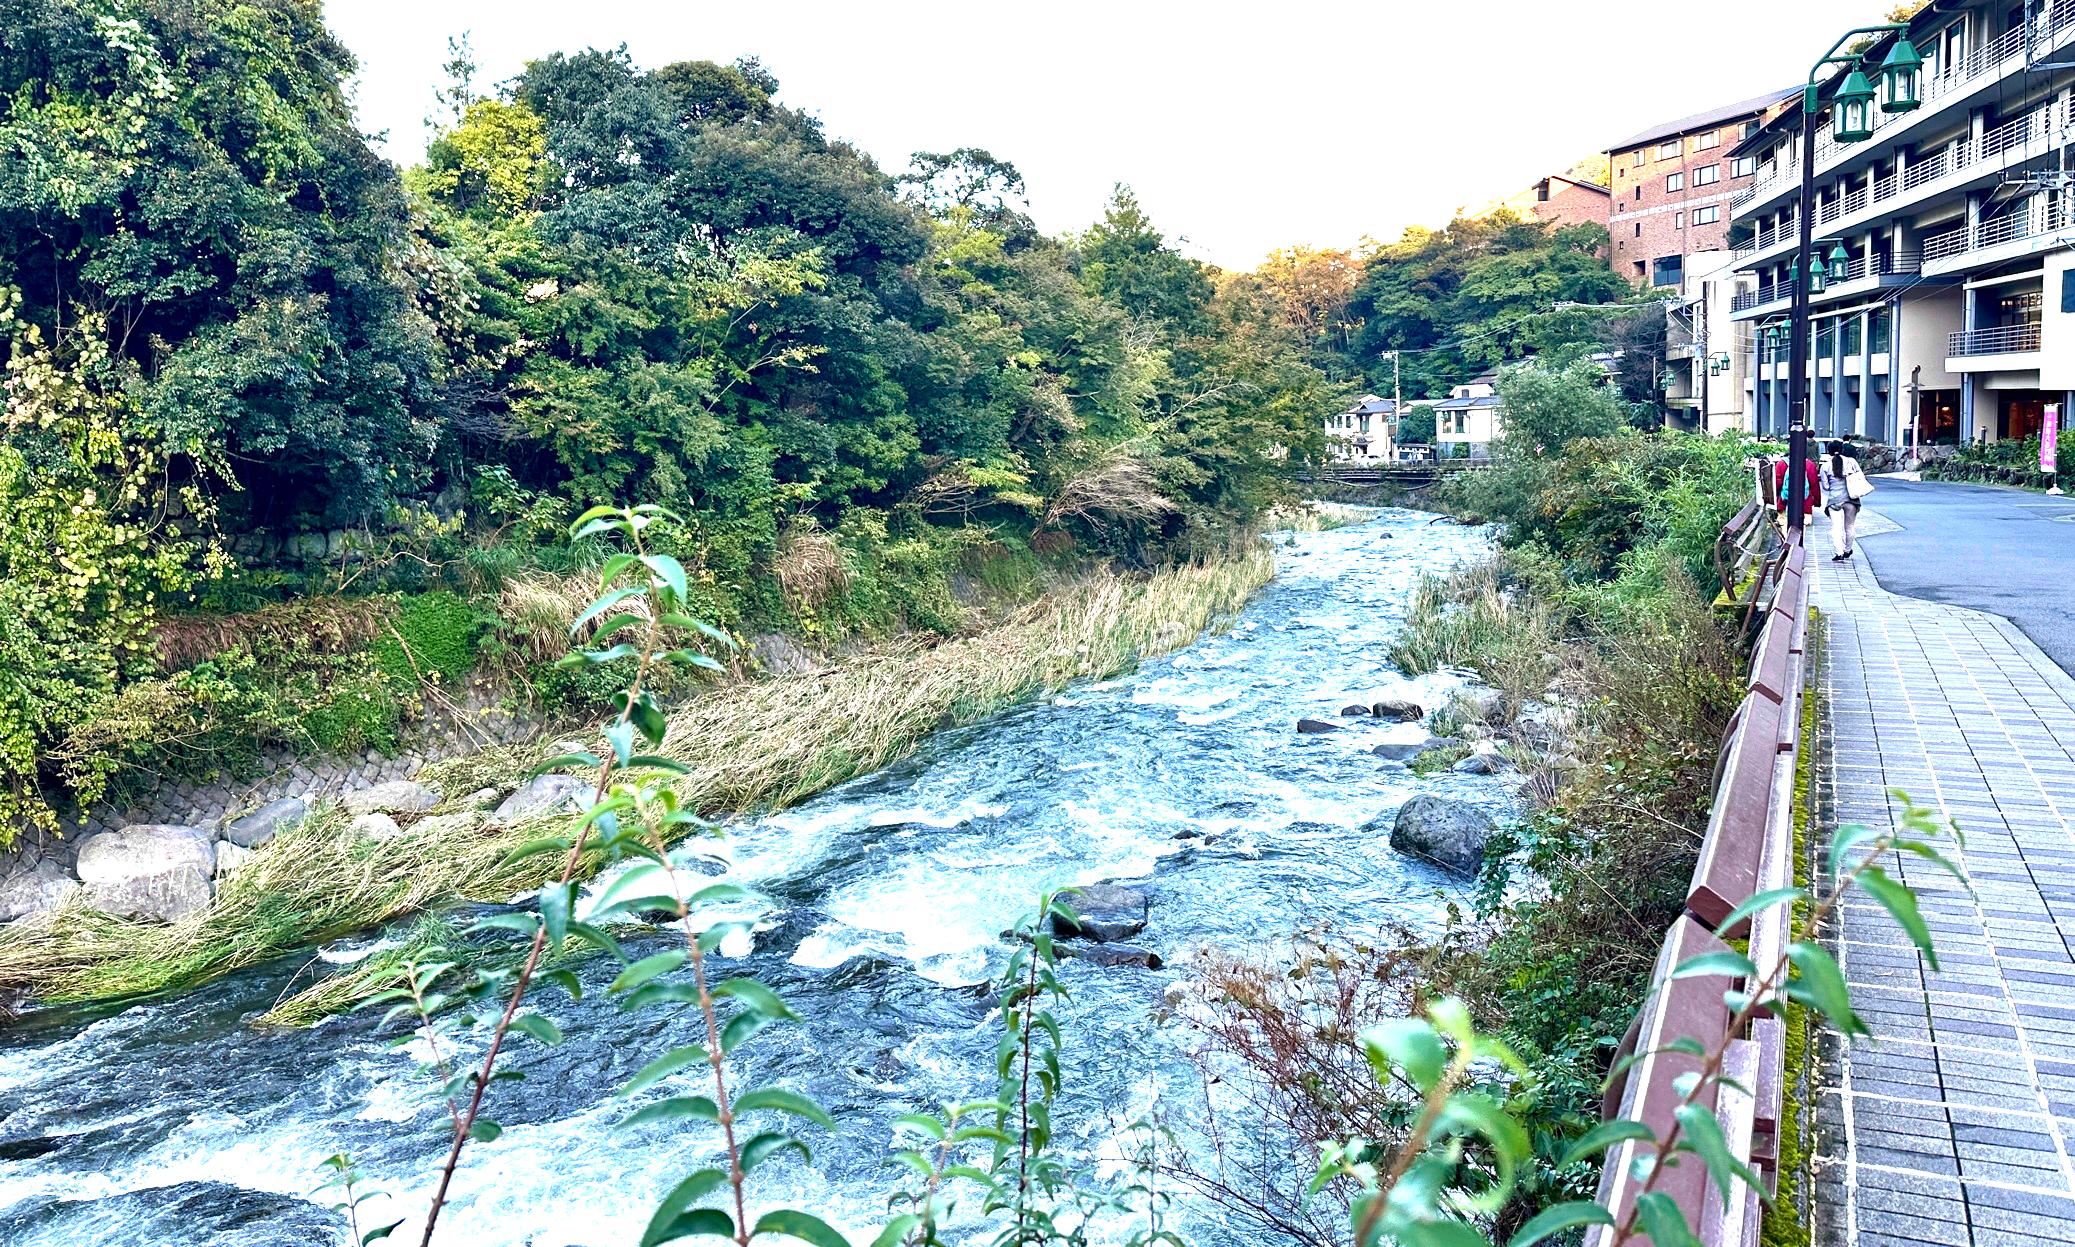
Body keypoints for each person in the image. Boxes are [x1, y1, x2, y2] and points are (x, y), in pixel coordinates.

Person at [1819, 439, 1870, 561]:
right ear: (1842, 449)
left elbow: (1825, 486)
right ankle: (1848, 550)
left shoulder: (1825, 466)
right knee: (1850, 526)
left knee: (1836, 528)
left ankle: (1839, 552)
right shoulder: (1852, 462)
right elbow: (1860, 476)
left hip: (1834, 501)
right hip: (1851, 499)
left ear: (1829, 452)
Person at [1772, 450, 1820, 534]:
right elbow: (1814, 485)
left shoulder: (1781, 464)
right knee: (1801, 527)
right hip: (1805, 502)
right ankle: (1797, 545)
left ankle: (1785, 544)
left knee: (1784, 525)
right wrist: (1816, 501)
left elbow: (1777, 483)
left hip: (1784, 501)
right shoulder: (1809, 465)